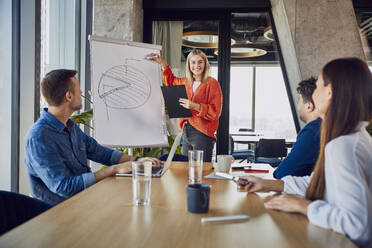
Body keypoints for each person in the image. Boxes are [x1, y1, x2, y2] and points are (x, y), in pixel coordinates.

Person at [238, 58, 372, 247]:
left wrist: (303, 206)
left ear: (330, 92)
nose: (313, 93)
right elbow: (321, 182)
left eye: (317, 86)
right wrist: (268, 184)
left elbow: (359, 226)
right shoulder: (356, 137)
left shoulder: (343, 146)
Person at [25, 69, 161, 206]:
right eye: (79, 90)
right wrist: (114, 169)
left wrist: (138, 161)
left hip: (85, 201)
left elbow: (100, 153)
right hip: (59, 213)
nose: (82, 93)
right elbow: (64, 187)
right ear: (69, 96)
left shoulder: (70, 126)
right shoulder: (38, 137)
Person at [149, 49, 222, 162]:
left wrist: (195, 106)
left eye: (200, 62)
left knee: (201, 169)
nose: (196, 65)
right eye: (193, 62)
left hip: (202, 133)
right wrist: (163, 64)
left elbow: (215, 112)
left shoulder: (212, 83)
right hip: (185, 131)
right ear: (189, 64)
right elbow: (171, 81)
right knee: (184, 170)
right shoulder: (185, 82)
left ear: (205, 64)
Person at [273, 77, 321, 179]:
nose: (298, 106)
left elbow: (282, 174)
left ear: (309, 106)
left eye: (299, 101)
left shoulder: (313, 131)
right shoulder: (326, 127)